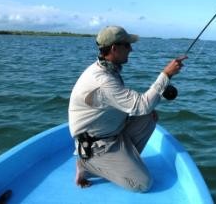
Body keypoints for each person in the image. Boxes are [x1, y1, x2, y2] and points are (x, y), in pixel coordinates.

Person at [68, 25, 186, 192]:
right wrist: (166, 74)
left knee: (149, 116)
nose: (131, 49)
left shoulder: (106, 69)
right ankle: (87, 164)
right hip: (97, 146)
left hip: (113, 133)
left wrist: (162, 88)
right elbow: (141, 104)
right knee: (142, 183)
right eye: (127, 45)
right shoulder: (102, 80)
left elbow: (140, 107)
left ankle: (123, 161)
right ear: (114, 49)